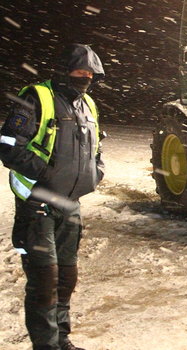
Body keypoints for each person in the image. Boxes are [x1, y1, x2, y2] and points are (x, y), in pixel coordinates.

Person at [0, 44, 105, 350]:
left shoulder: (89, 105)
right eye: (78, 70)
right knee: (44, 282)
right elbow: (8, 144)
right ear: (63, 69)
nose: (84, 76)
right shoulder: (35, 97)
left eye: (89, 72)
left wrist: (95, 172)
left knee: (66, 279)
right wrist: (48, 173)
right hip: (38, 204)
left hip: (70, 205)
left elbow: (97, 148)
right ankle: (45, 346)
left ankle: (62, 340)